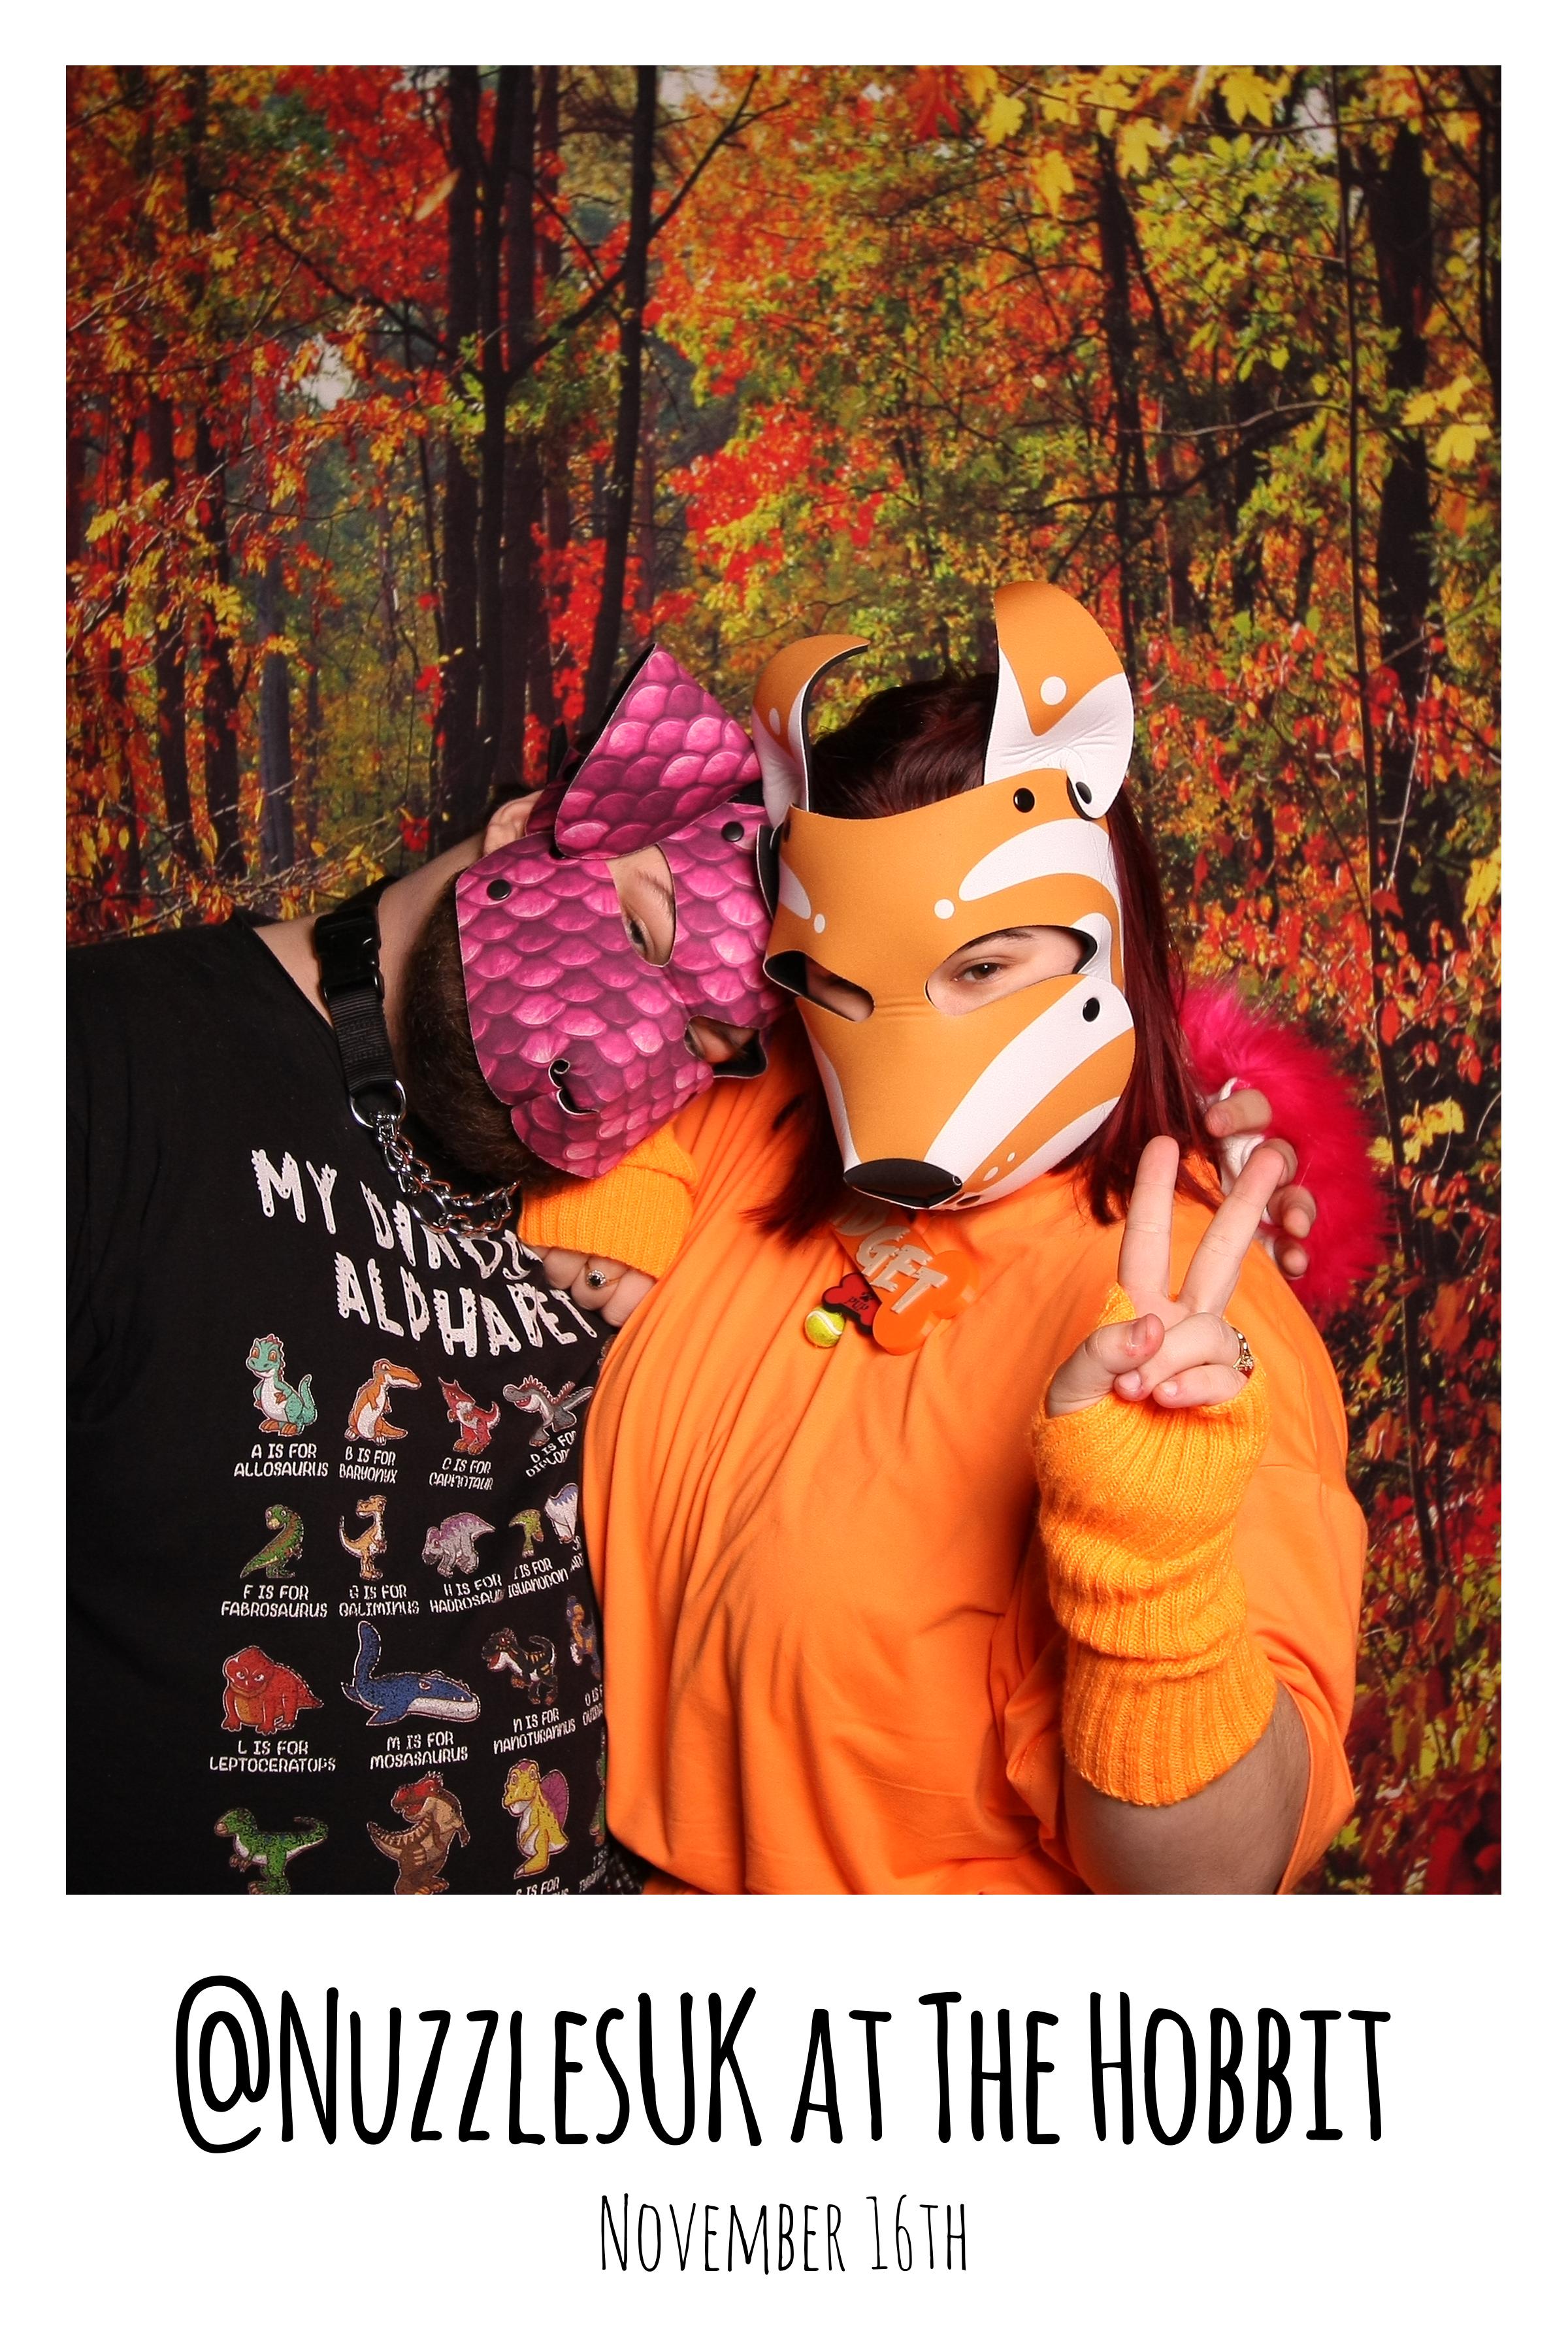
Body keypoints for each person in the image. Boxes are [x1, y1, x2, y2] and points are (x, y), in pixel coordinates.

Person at [514, 583, 1368, 1893]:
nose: (916, 1044)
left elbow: (1216, 1883)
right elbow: (575, 953)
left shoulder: (1184, 1326)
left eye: (983, 969)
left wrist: (1150, 1588)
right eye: (844, 986)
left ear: (1110, 943)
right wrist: (611, 1163)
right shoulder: (764, 1119)